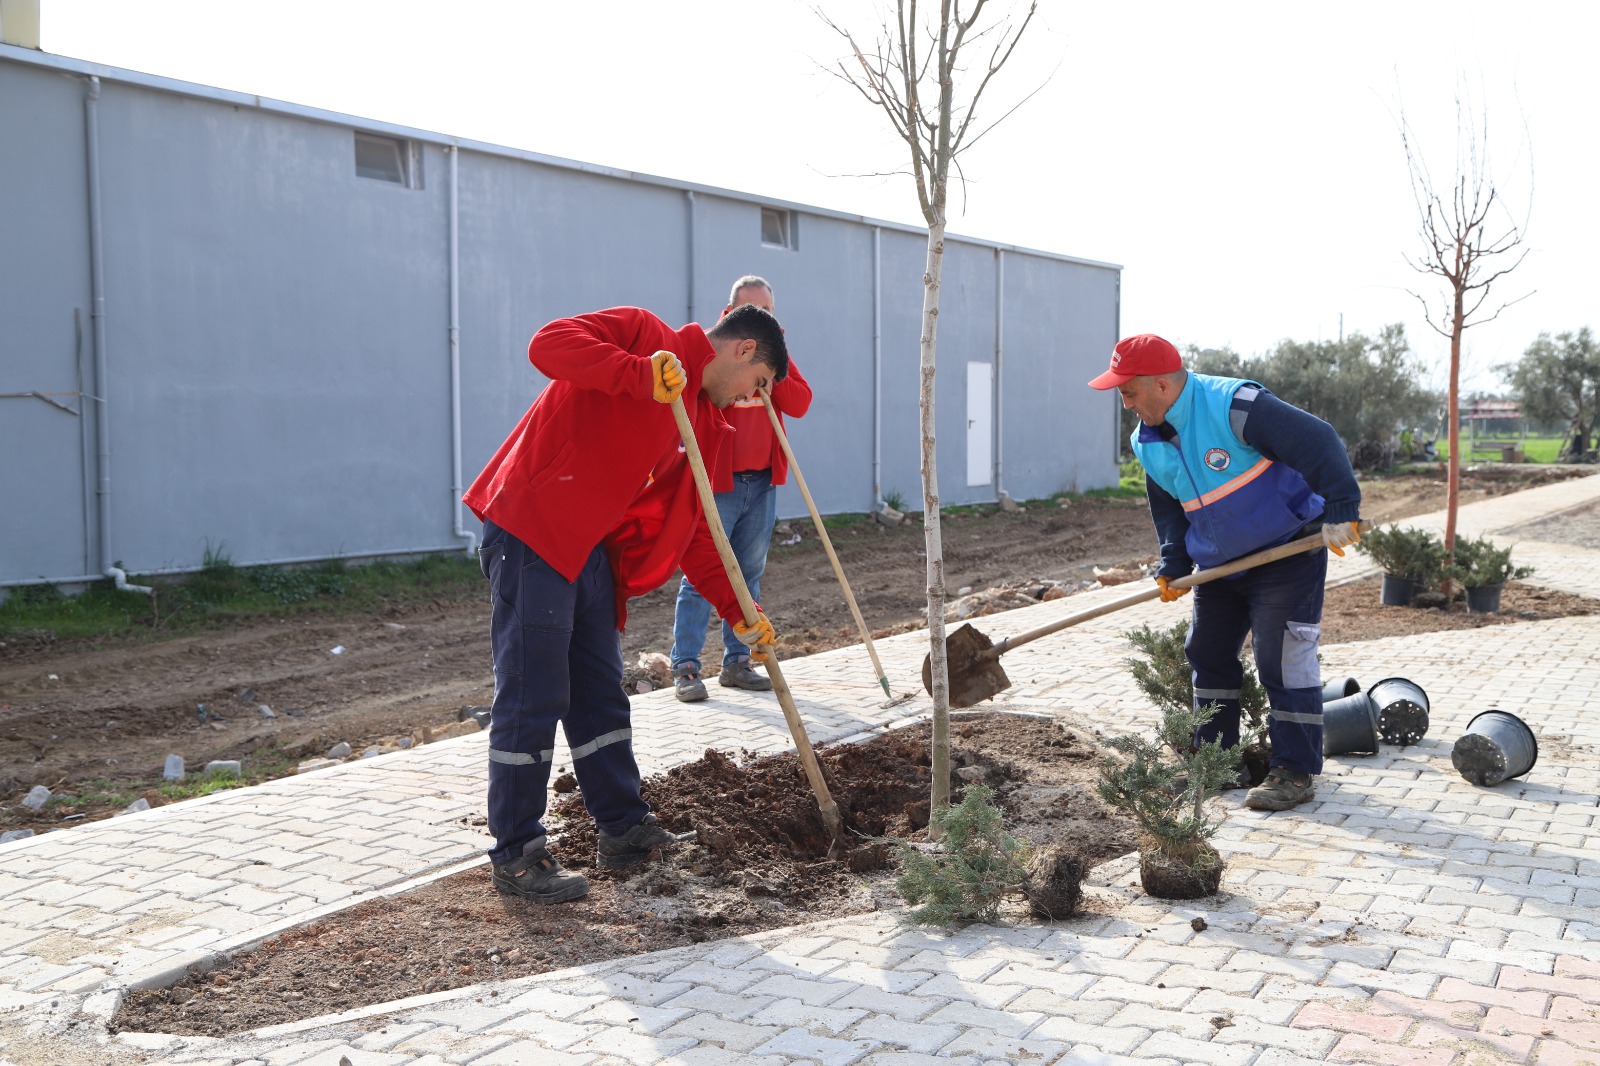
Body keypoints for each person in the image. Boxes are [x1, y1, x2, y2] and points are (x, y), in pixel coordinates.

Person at [464, 304, 789, 903]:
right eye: (759, 383)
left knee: (599, 693)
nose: (752, 398)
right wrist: (639, 373)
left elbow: (695, 530)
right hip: (534, 526)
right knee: (534, 692)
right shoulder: (645, 336)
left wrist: (739, 608)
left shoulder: (703, 425)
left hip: (592, 555)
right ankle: (516, 855)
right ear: (742, 350)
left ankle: (622, 827)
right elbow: (547, 344)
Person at [1088, 334, 1362, 812]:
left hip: (1285, 555)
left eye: (1128, 391)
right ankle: (1217, 761)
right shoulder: (1144, 440)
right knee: (1208, 654)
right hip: (1218, 568)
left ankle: (1294, 771)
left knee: (1283, 660)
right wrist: (1174, 563)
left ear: (1161, 385)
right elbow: (1169, 509)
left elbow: (1318, 439)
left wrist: (1341, 507)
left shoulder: (1236, 405)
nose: (1124, 402)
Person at [670, 276, 812, 701]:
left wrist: (770, 379)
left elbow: (801, 402)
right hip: (718, 481)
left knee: (749, 574)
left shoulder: (773, 349)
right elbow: (704, 396)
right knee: (702, 574)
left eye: (769, 311)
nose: (763, 319)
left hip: (762, 480)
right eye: (754, 311)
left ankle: (737, 662)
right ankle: (687, 666)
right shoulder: (718, 352)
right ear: (731, 312)